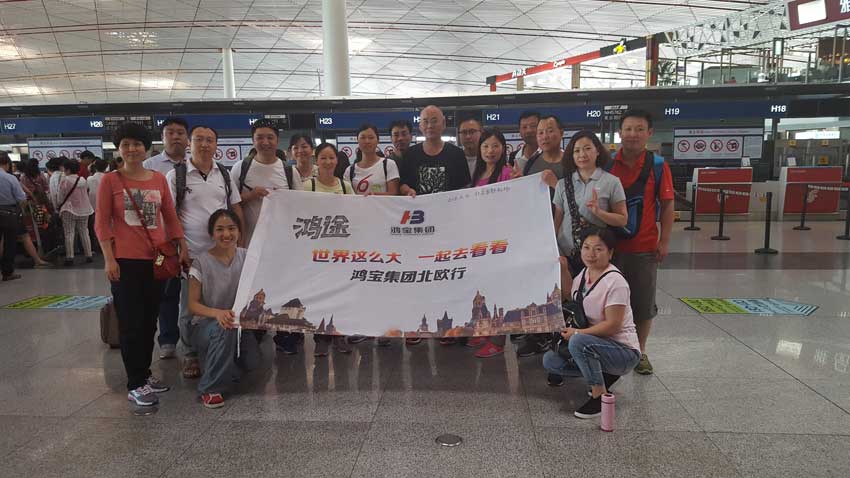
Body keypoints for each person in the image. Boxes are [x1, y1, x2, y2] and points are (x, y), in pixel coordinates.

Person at [95, 122, 188, 406]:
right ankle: (135, 383)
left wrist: (182, 246)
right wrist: (109, 258)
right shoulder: (110, 181)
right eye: (126, 144)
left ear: (146, 147)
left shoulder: (158, 179)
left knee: (150, 320)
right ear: (118, 149)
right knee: (131, 323)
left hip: (157, 259)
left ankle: (145, 374)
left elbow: (170, 217)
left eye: (137, 144)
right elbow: (101, 224)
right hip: (125, 262)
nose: (132, 149)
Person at [166, 125, 243, 379]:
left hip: (222, 252)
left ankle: (221, 343)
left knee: (223, 299)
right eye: (199, 139)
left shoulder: (224, 174)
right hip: (191, 253)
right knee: (188, 307)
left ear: (216, 145)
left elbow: (235, 208)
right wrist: (181, 246)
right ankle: (190, 354)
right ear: (190, 143)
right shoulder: (176, 175)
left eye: (210, 140)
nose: (205, 144)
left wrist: (240, 242)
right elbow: (169, 215)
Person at [542, 227, 641, 419]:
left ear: (610, 253)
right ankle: (605, 375)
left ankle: (599, 397)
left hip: (623, 351)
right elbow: (570, 296)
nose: (591, 254)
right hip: (597, 344)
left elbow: (613, 325)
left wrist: (578, 333)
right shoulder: (585, 274)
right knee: (550, 360)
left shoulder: (616, 282)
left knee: (578, 341)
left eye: (598, 249)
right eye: (586, 247)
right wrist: (563, 269)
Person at [607, 109, 674, 375]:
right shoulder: (607, 163)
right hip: (609, 249)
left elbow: (667, 205)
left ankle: (640, 352)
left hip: (644, 248)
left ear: (649, 133)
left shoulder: (658, 165)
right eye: (628, 129)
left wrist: (664, 241)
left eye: (639, 129)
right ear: (619, 133)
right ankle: (611, 349)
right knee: (609, 302)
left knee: (643, 304)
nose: (632, 134)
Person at [231, 119, 304, 356]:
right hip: (251, 243)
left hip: (283, 245)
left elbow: (301, 204)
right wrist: (252, 195)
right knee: (254, 289)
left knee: (286, 288)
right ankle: (256, 331)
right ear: (253, 140)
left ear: (277, 140)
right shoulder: (241, 168)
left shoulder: (288, 170)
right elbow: (231, 202)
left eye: (270, 137)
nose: (265, 142)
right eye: (260, 137)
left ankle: (286, 335)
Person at [187, 209, 260, 408]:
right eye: (220, 229)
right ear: (211, 234)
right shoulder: (200, 262)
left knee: (252, 362)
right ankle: (210, 389)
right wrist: (217, 313)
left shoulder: (248, 258)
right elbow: (192, 305)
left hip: (239, 325)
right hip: (206, 325)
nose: (226, 234)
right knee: (224, 328)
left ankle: (217, 363)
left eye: (231, 228)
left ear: (239, 231)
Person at [543, 130, 627, 300]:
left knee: (594, 299)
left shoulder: (611, 182)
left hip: (594, 254)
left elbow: (622, 219)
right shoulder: (562, 184)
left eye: (587, 148)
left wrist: (599, 212)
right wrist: (552, 249)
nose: (582, 154)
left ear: (597, 151)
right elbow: (557, 220)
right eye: (577, 150)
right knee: (567, 298)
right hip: (567, 253)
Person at [516, 115, 570, 358]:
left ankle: (563, 335)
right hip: (535, 233)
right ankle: (536, 336)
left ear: (561, 132)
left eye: (550, 130)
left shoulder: (570, 162)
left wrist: (556, 184)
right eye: (541, 132)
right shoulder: (532, 163)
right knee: (535, 284)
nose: (545, 136)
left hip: (563, 234)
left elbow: (577, 197)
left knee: (561, 286)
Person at [466, 129, 516, 358]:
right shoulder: (478, 174)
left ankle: (498, 340)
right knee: (483, 288)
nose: (490, 151)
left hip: (500, 240)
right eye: (485, 146)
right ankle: (485, 331)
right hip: (480, 239)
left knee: (499, 289)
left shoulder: (507, 173)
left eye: (495, 146)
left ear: (503, 148)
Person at [143, 118, 190, 360]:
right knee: (167, 291)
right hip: (163, 243)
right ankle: (168, 339)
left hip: (194, 241)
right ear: (162, 138)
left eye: (180, 132)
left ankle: (193, 341)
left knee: (195, 292)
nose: (176, 137)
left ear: (187, 138)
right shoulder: (149, 166)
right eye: (170, 132)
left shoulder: (197, 163)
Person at [303, 143, 353, 356]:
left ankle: (340, 334)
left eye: (331, 157)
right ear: (317, 161)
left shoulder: (346, 186)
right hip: (318, 252)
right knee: (320, 294)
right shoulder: (308, 186)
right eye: (323, 158)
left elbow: (356, 213)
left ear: (337, 160)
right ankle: (321, 338)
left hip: (341, 251)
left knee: (340, 294)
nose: (327, 162)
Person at [398, 105, 470, 197]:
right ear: (420, 126)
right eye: (425, 122)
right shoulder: (410, 154)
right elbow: (402, 183)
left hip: (450, 205)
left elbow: (465, 186)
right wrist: (407, 190)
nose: (430, 126)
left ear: (443, 124)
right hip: (418, 205)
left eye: (434, 121)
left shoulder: (457, 154)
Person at [344, 123, 400, 196]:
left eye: (371, 137)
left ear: (378, 140)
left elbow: (393, 194)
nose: (367, 141)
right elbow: (348, 197)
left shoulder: (389, 164)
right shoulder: (349, 171)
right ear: (357, 140)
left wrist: (374, 196)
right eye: (363, 138)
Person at [57, 158, 94, 266]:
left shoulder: (65, 180)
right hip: (84, 209)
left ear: (68, 169)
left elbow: (60, 196)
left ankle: (70, 257)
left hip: (69, 209)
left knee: (69, 233)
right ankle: (88, 255)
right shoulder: (82, 180)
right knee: (84, 232)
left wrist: (58, 206)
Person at [17, 158, 52, 268]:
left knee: (30, 229)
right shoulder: (41, 175)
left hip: (28, 206)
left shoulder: (23, 177)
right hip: (41, 204)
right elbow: (46, 189)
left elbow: (22, 192)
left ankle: (32, 251)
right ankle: (43, 249)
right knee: (43, 225)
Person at [0, 152, 26, 281]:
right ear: (7, 164)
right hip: (9, 214)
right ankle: (7, 272)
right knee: (9, 243)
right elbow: (21, 198)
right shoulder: (10, 178)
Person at [457, 117, 482, 181]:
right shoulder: (453, 160)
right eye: (464, 132)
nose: (468, 136)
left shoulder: (490, 160)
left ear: (481, 133)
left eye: (472, 132)